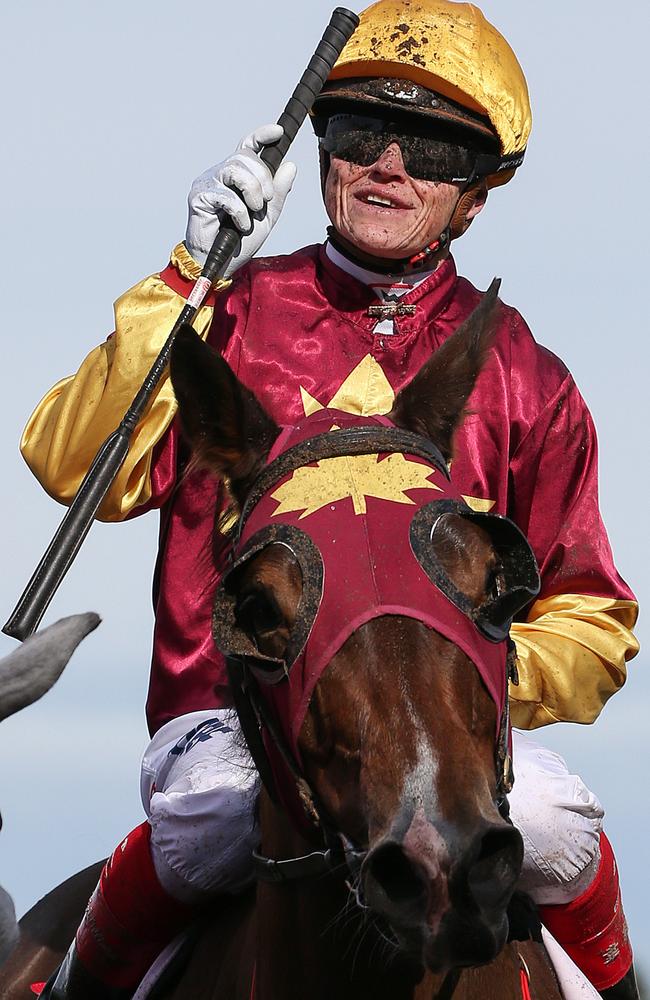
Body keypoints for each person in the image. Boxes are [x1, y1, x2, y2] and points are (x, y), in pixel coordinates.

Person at [21, 1, 639, 998]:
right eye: (359, 134)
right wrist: (186, 270)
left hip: (455, 732)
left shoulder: (527, 375)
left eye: (432, 148)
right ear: (321, 155)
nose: (389, 164)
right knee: (204, 824)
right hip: (226, 726)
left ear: (476, 195)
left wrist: (455, 673)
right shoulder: (221, 312)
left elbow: (594, 621)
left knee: (562, 828)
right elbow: (66, 460)